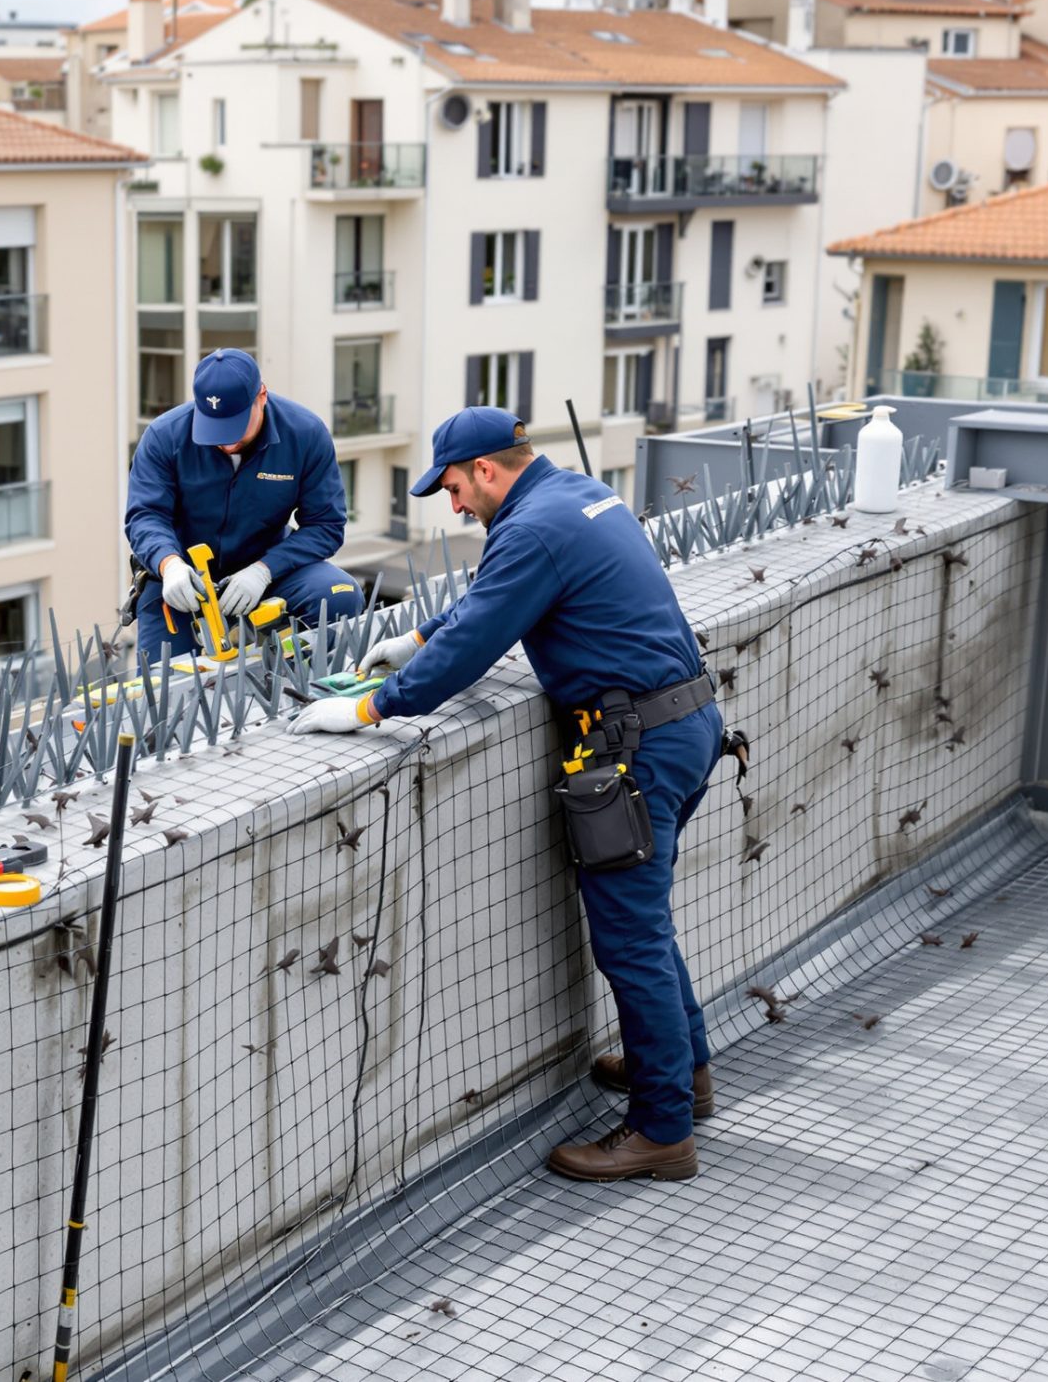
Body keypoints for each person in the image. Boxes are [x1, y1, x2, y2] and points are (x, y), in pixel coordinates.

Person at [290, 407, 725, 1182]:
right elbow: (501, 596)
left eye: (454, 487)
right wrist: (418, 636)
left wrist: (367, 707)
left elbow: (480, 640)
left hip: (637, 747)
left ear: (486, 471)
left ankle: (662, 1130)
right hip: (684, 722)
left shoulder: (529, 529)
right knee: (647, 921)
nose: (453, 504)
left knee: (629, 937)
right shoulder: (578, 496)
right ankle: (683, 1076)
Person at [124, 347, 364, 666]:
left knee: (341, 594)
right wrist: (169, 566)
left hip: (267, 569)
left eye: (234, 426)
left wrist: (263, 571)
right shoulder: (164, 436)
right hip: (183, 584)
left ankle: (285, 688)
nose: (225, 442)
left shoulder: (306, 434)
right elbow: (145, 516)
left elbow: (326, 526)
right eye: (213, 427)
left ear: (261, 396)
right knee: (164, 685)